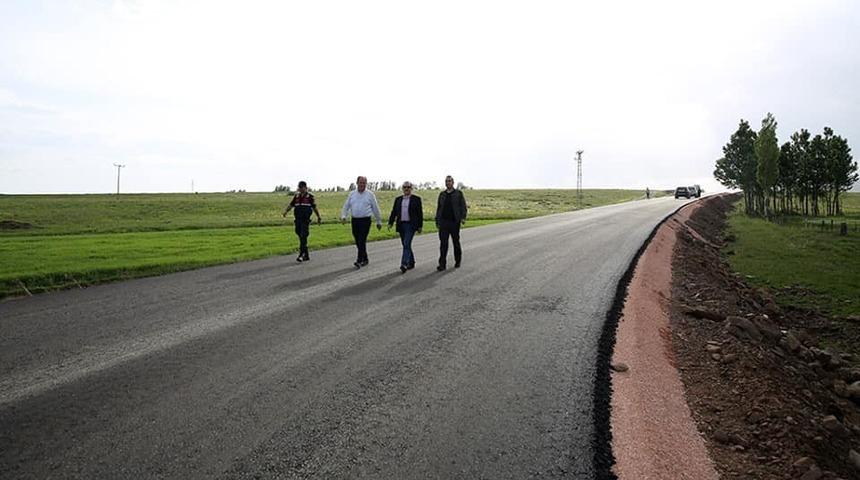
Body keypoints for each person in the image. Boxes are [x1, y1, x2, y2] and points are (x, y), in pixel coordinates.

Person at [340, 176, 382, 268]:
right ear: (357, 183)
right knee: (357, 241)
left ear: (366, 184)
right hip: (355, 220)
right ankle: (365, 258)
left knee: (361, 240)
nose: (362, 185)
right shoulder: (352, 194)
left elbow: (375, 208)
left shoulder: (370, 195)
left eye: (364, 183)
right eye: (360, 183)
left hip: (365, 220)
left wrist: (378, 221)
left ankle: (359, 260)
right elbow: (346, 206)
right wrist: (343, 216)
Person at [388, 181, 423, 273]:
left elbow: (420, 213)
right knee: (405, 244)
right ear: (402, 189)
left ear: (411, 188)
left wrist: (420, 226)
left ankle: (404, 264)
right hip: (401, 225)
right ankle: (411, 262)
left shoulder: (416, 199)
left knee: (407, 243)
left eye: (408, 187)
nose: (406, 189)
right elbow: (394, 212)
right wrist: (390, 222)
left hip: (411, 225)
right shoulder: (398, 199)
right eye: (405, 187)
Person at [282, 180, 321, 262]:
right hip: (297, 219)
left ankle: (301, 255)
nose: (300, 189)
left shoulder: (310, 197)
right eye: (299, 187)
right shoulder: (296, 196)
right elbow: (291, 205)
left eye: (301, 187)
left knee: (303, 236)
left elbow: (314, 207)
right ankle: (306, 255)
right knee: (299, 234)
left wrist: (318, 216)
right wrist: (286, 211)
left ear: (305, 188)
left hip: (305, 220)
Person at [435, 175, 467, 271]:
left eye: (449, 181)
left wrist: (463, 217)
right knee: (443, 244)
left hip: (454, 222)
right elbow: (439, 208)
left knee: (456, 242)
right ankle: (442, 264)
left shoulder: (458, 193)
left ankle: (458, 260)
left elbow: (463, 206)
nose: (448, 183)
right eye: (446, 181)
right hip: (443, 222)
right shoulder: (442, 194)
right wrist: (437, 220)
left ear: (453, 182)